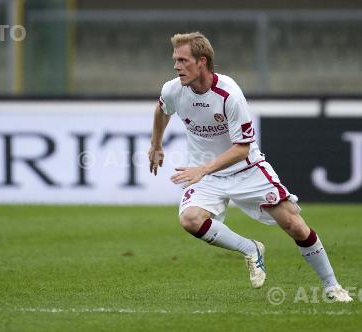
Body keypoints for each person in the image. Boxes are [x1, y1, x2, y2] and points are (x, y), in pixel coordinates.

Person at [148, 31, 352, 302]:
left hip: (246, 170)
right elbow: (162, 110)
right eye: (175, 60)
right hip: (207, 175)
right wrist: (156, 144)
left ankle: (332, 287)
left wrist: (203, 169)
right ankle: (250, 249)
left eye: (183, 60)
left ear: (202, 62)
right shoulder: (173, 89)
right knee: (190, 219)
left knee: (294, 225)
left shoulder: (229, 94)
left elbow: (242, 148)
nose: (176, 66)